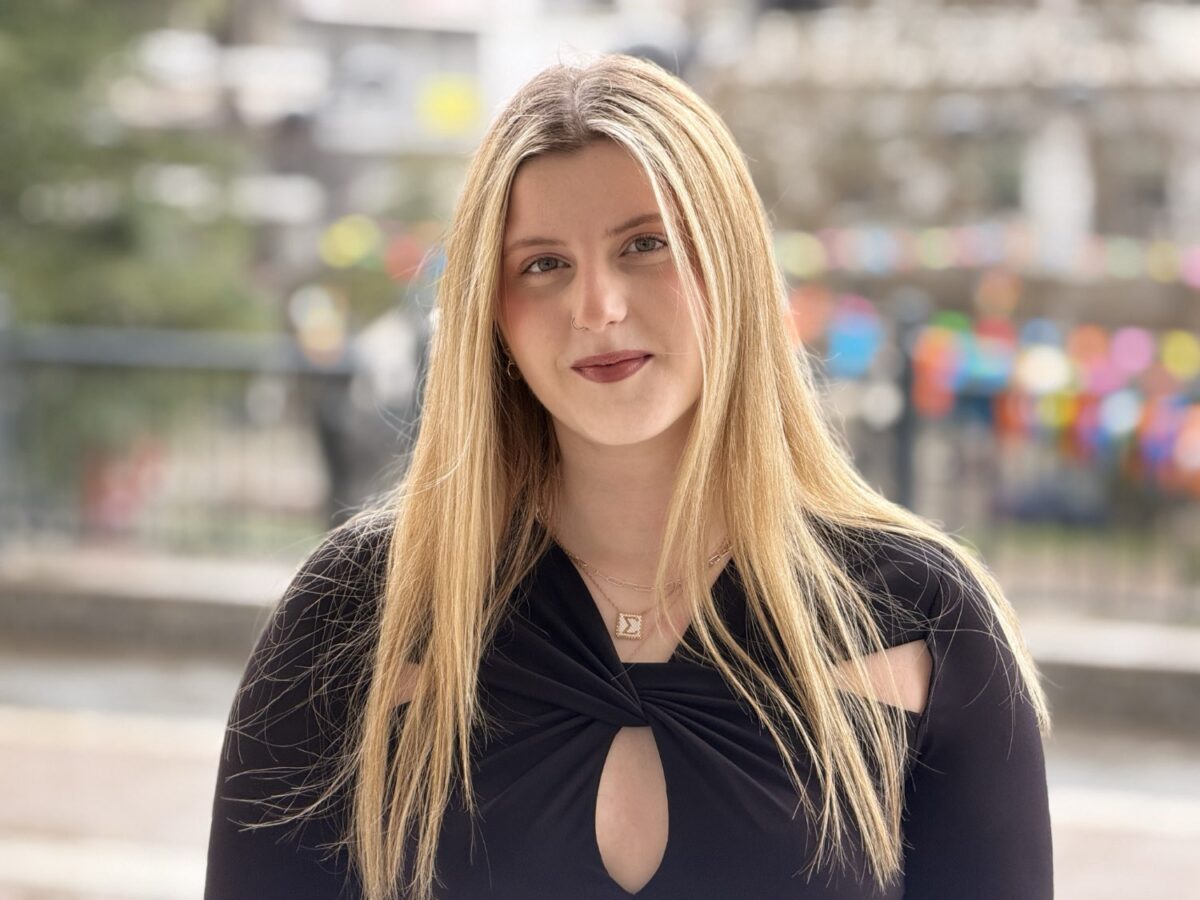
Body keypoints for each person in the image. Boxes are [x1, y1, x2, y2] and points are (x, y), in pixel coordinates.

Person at [204, 53, 1053, 900]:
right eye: (543, 263)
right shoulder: (359, 611)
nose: (597, 307)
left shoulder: (925, 617)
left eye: (646, 245)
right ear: (490, 313)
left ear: (732, 268)